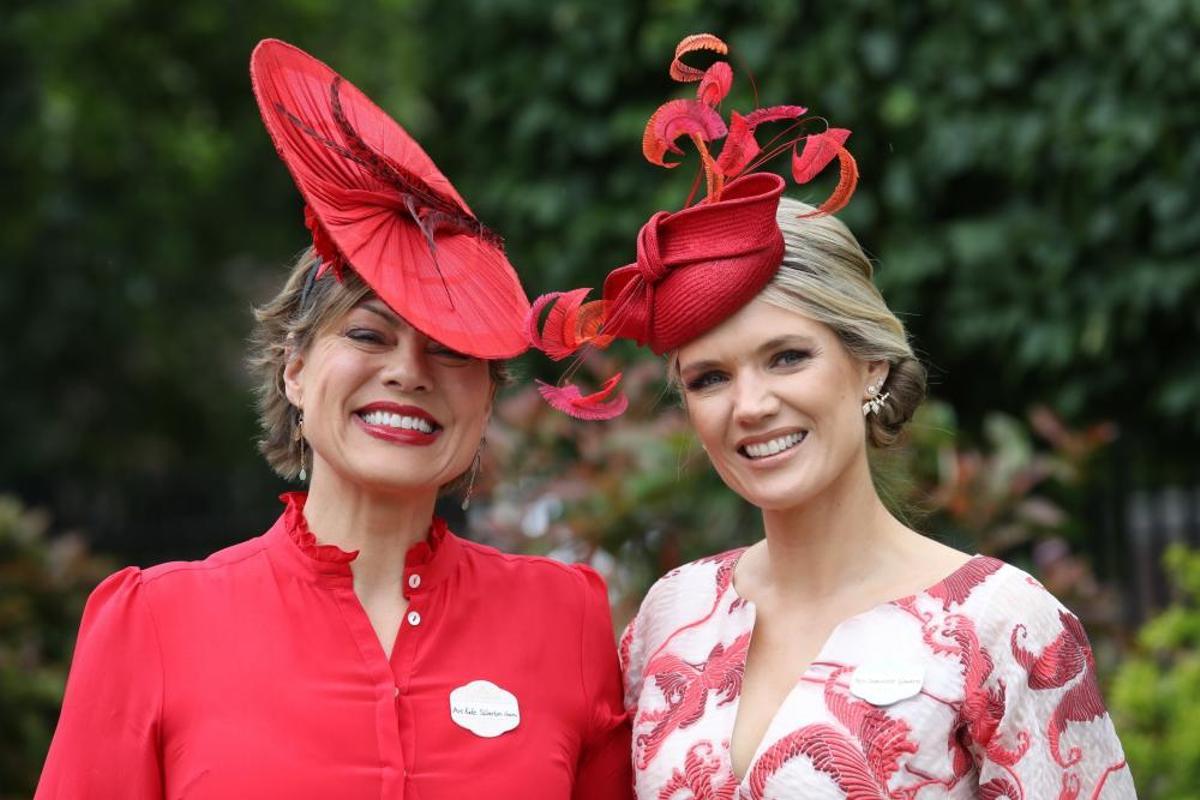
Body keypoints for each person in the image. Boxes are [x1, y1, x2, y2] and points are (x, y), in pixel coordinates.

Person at [528, 34, 1134, 798]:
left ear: (870, 362)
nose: (751, 406)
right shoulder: (672, 616)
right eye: (711, 377)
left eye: (787, 357)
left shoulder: (1000, 624)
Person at [36, 39, 631, 800]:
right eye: (366, 334)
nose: (408, 374)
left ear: (487, 398)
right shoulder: (155, 623)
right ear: (295, 369)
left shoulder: (566, 621)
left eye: (451, 351)